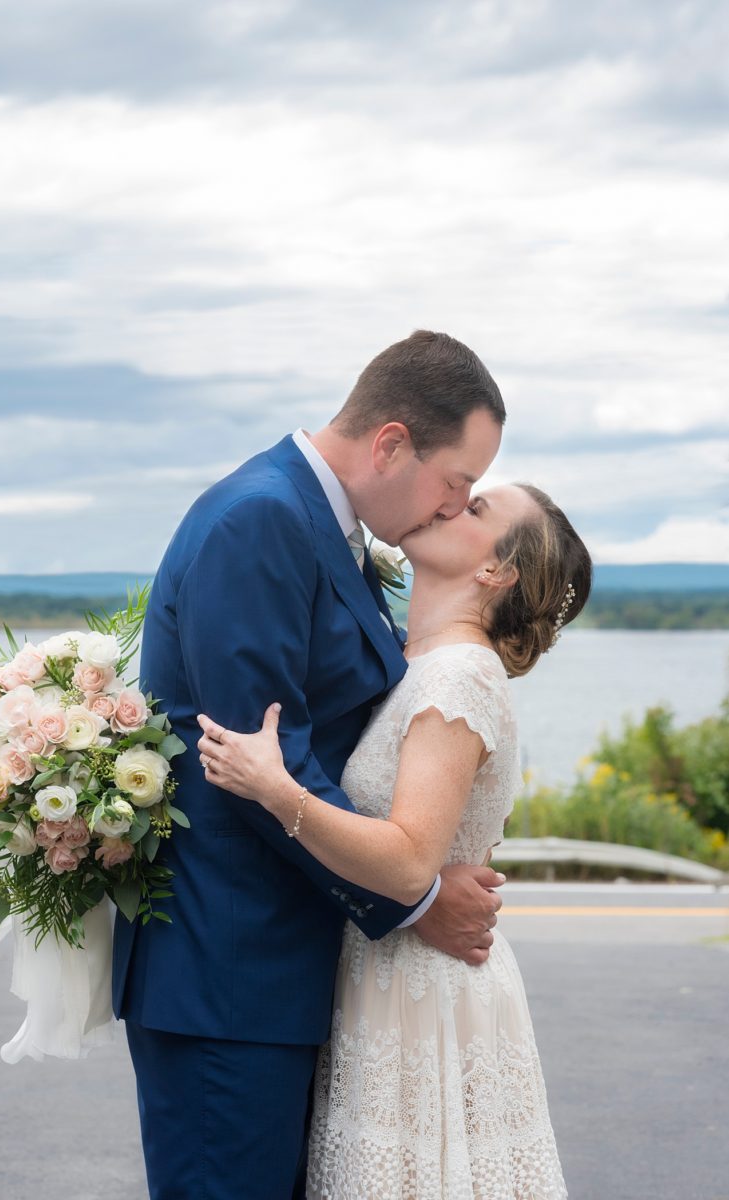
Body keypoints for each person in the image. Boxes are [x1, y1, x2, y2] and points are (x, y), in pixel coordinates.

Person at [112, 330, 508, 1200]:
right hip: (229, 973)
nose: (452, 508)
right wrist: (418, 899)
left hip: (279, 967)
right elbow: (258, 760)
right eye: (456, 483)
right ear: (391, 443)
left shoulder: (318, 522)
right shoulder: (262, 518)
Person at [197, 481, 592, 1199]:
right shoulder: (414, 660)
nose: (448, 503)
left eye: (475, 509)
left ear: (495, 572)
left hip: (422, 991)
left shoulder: (460, 674)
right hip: (382, 978)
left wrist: (274, 788)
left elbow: (410, 863)